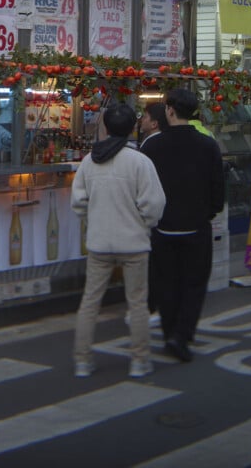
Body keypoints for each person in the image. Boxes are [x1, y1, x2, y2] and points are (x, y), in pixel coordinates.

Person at [71, 103, 166, 380]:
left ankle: (82, 361)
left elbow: (78, 202)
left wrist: (94, 220)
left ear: (106, 127)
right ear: (131, 128)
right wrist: (143, 223)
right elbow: (154, 205)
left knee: (90, 302)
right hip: (134, 244)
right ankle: (139, 360)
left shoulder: (90, 161)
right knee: (137, 303)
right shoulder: (140, 162)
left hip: (99, 243)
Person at [141, 88, 225, 362]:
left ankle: (169, 333)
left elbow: (143, 190)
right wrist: (208, 213)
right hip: (197, 226)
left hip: (162, 227)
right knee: (194, 283)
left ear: (170, 111)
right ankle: (182, 334)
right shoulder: (208, 145)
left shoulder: (152, 146)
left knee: (167, 282)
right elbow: (218, 189)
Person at [136, 101, 169, 328]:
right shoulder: (156, 143)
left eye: (145, 116)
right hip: (162, 212)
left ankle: (152, 306)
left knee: (154, 263)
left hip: (153, 215)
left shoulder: (150, 147)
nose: (141, 120)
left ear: (155, 123)